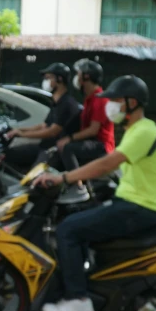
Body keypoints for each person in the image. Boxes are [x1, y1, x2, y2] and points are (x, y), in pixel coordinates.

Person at [32, 75, 156, 311]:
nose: (110, 105)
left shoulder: (144, 131)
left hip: (138, 208)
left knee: (68, 230)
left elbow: (106, 164)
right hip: (131, 203)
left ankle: (78, 299)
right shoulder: (135, 130)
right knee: (79, 218)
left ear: (133, 102)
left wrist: (64, 178)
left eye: (116, 100)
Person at [55, 58, 115, 203]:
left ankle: (78, 187)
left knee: (68, 148)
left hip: (102, 146)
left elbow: (93, 130)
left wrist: (69, 139)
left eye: (79, 74)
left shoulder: (100, 99)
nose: (77, 77)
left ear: (86, 77)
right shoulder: (90, 99)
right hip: (92, 143)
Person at [3, 63, 81, 169]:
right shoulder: (56, 103)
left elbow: (52, 132)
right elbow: (43, 126)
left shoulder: (67, 103)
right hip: (44, 147)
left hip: (54, 150)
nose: (46, 81)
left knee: (35, 178)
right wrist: (17, 130)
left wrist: (21, 134)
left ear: (59, 79)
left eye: (49, 78)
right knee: (8, 155)